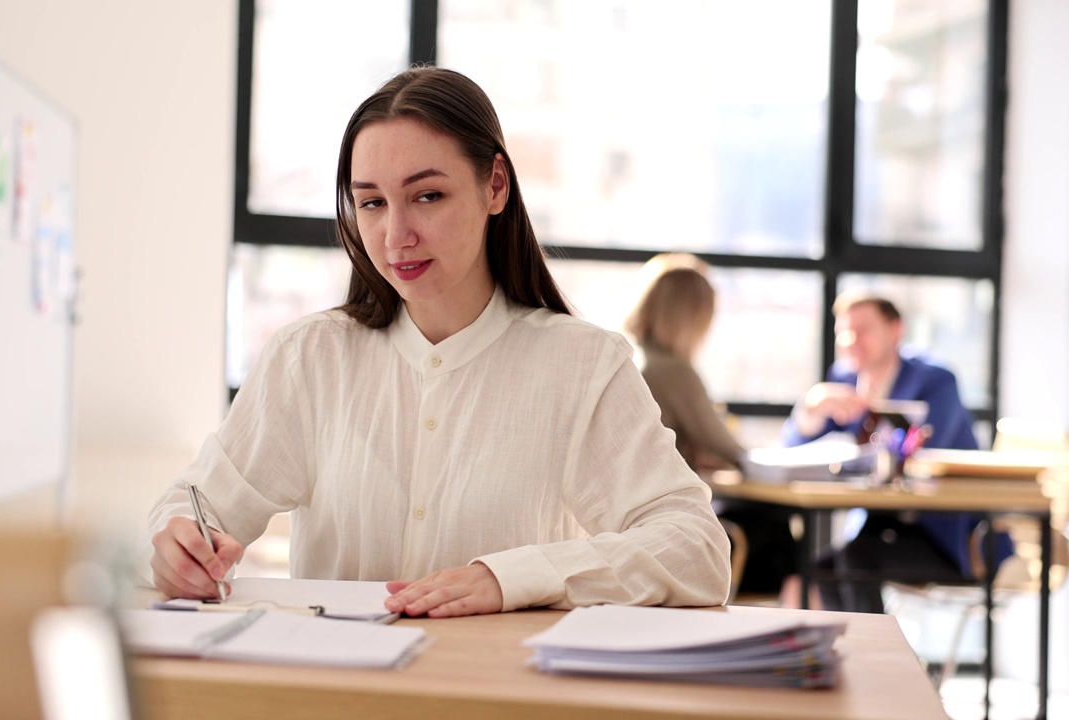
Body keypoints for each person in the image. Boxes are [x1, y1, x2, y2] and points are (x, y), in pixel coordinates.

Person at [143, 66, 730, 618]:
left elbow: (697, 549)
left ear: (494, 185)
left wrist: (512, 578)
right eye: (371, 202)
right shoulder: (310, 358)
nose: (396, 235)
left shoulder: (581, 366)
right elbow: (197, 505)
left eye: (427, 196)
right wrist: (179, 546)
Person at [782, 291, 1008, 612]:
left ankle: (875, 661)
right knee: (821, 569)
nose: (851, 340)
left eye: (863, 330)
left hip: (947, 538)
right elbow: (793, 447)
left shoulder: (935, 381)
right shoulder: (843, 378)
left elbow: (921, 451)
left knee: (857, 560)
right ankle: (849, 656)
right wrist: (811, 408)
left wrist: (873, 422)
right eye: (843, 332)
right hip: (883, 525)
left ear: (895, 330)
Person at [623, 253, 797, 598]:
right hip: (666, 519)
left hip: (633, 516)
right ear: (691, 318)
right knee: (778, 530)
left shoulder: (633, 357)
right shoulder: (673, 370)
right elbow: (731, 450)